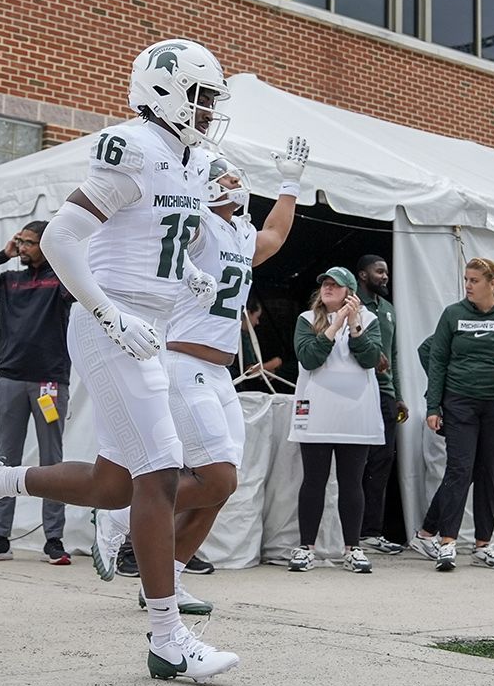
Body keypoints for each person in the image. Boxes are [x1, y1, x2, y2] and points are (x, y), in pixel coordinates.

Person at [0, 38, 242, 683]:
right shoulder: (133, 146)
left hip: (149, 324)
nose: (210, 108)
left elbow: (165, 232)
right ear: (163, 91)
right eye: (202, 95)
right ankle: (168, 639)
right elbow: (60, 238)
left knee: (115, 482)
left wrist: (189, 273)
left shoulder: (191, 159)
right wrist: (112, 310)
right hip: (113, 324)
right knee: (160, 473)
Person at [100, 140, 308, 610]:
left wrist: (290, 185)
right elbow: (161, 234)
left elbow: (273, 236)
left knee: (222, 485)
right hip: (183, 362)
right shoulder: (198, 224)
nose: (238, 184)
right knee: (214, 476)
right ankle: (122, 517)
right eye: (230, 178)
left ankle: (165, 580)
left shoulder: (237, 231)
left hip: (218, 371)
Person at [0, 219, 75, 565]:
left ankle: (54, 539)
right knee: (7, 460)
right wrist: (2, 254)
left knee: (52, 462)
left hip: (49, 383)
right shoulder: (9, 281)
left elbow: (80, 289)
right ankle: (1, 538)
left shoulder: (60, 282)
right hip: (9, 379)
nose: (21, 248)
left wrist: (59, 253)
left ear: (46, 246)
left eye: (29, 243)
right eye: (19, 242)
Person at [411, 258, 494, 572]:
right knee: (459, 470)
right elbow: (436, 359)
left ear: (492, 284)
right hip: (460, 404)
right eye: (466, 279)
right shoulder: (453, 314)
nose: (468, 285)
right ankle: (447, 542)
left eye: (474, 280)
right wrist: (433, 406)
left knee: (491, 475)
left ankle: (484, 544)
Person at [285, 267, 383, 574]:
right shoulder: (306, 319)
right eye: (325, 283)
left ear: (349, 293)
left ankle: (352, 548)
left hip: (355, 411)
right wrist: (333, 325)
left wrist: (353, 328)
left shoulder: (369, 321)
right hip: (316, 410)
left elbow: (370, 359)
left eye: (335, 284)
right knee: (314, 480)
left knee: (351, 481)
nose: (327, 287)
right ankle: (306, 547)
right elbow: (309, 358)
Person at [353, 254, 407, 556]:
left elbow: (394, 355)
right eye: (379, 271)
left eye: (386, 271)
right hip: (357, 392)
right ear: (363, 275)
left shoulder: (388, 310)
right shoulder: (350, 304)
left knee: (381, 463)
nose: (385, 276)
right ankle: (351, 533)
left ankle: (371, 533)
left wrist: (398, 394)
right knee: (355, 464)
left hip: (384, 395)